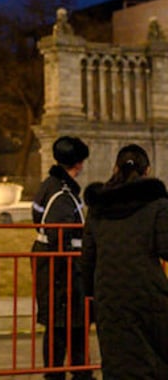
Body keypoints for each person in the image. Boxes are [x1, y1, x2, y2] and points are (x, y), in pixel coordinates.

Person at [81, 144, 168, 379]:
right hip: (147, 291)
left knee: (117, 360)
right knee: (154, 359)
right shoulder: (157, 204)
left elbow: (88, 255)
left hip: (109, 294)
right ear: (147, 170)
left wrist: (90, 292)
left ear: (115, 168)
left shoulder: (98, 207)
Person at [31, 135, 93, 380]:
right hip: (63, 271)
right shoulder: (63, 195)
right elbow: (62, 239)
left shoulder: (49, 185)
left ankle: (72, 372)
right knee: (67, 325)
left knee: (64, 325)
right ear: (77, 163)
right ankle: (69, 374)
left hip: (52, 267)